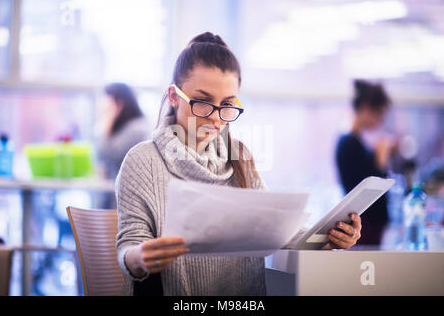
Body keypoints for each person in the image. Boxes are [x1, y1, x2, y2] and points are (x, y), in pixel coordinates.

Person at [116, 32, 362, 296]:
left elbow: (278, 230)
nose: (215, 118)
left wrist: (330, 236)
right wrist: (140, 257)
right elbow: (129, 247)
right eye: (202, 102)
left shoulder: (239, 157)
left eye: (227, 105)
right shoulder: (143, 161)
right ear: (174, 97)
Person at [336, 80, 396, 246]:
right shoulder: (348, 143)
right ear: (366, 108)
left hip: (369, 225)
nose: (380, 121)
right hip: (364, 226)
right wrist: (381, 159)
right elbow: (363, 191)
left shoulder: (356, 142)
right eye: (379, 114)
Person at [95, 82, 149, 181]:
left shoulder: (136, 129)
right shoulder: (122, 127)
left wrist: (107, 119)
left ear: (119, 103)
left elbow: (104, 155)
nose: (101, 105)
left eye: (106, 100)